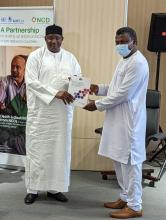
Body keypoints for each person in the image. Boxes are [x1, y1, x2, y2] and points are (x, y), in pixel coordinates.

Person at [84, 27, 149, 218]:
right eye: (117, 42)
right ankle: (125, 197)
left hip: (129, 121)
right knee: (119, 159)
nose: (119, 45)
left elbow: (124, 94)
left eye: (123, 41)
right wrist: (99, 88)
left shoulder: (138, 63)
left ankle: (135, 206)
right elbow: (115, 88)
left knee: (130, 163)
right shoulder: (124, 60)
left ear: (134, 41)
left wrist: (97, 104)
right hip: (116, 119)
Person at [24, 24, 81, 205]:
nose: (53, 41)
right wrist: (56, 93)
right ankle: (32, 189)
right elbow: (31, 81)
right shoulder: (35, 56)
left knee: (59, 151)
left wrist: (77, 90)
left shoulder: (70, 58)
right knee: (37, 151)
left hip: (62, 116)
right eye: (50, 38)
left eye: (57, 38)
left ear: (62, 39)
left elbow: (79, 81)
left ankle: (55, 188)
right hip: (40, 115)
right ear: (45, 39)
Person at [0, 55, 28, 155]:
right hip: (8, 124)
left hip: (23, 125)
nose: (14, 69)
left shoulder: (30, 84)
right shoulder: (5, 81)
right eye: (12, 66)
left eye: (17, 67)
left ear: (25, 69)